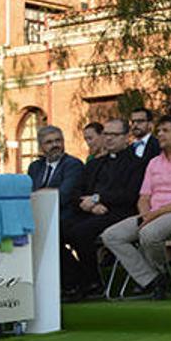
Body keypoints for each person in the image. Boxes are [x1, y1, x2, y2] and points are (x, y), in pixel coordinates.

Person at [100, 114, 171, 298]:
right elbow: (144, 196)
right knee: (111, 236)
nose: (160, 134)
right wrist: (145, 215)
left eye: (166, 131)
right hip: (152, 214)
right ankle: (153, 278)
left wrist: (154, 215)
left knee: (148, 234)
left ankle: (160, 273)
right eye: (158, 131)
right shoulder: (154, 162)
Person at [62, 118, 143, 299]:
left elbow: (130, 195)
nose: (109, 139)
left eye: (114, 135)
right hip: (91, 212)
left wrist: (98, 200)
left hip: (119, 213)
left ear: (126, 137)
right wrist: (89, 206)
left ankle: (93, 282)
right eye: (106, 134)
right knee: (57, 231)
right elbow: (76, 192)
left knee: (81, 232)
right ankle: (75, 280)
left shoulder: (137, 164)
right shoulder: (94, 164)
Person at [26, 124, 84, 222]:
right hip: (38, 213)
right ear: (41, 147)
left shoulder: (73, 164)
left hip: (62, 215)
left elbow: (63, 195)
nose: (55, 145)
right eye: (49, 142)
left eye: (58, 141)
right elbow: (29, 193)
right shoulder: (35, 167)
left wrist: (39, 194)